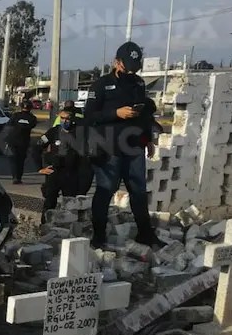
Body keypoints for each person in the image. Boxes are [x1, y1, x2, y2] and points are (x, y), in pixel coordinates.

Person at [84, 41, 160, 249]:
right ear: (117, 62)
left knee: (138, 191)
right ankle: (98, 237)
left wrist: (148, 138)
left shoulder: (139, 83)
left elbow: (143, 114)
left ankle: (145, 234)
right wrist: (115, 113)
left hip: (134, 146)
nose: (131, 71)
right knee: (105, 190)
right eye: (128, 66)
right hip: (108, 148)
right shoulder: (100, 85)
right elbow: (89, 116)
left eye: (135, 67)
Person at [36, 102, 93, 214]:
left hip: (71, 175)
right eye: (62, 118)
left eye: (67, 119)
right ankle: (45, 227)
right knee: (49, 204)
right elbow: (37, 147)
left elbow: (85, 158)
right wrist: (40, 167)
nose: (65, 121)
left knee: (70, 207)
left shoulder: (80, 134)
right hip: (54, 172)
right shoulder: (53, 132)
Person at [3, 99, 38, 184]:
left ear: (21, 107)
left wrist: (5, 138)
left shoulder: (15, 115)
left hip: (12, 141)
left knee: (13, 159)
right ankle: (18, 177)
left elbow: (8, 127)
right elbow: (31, 126)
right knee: (21, 160)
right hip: (24, 142)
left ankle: (15, 177)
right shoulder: (33, 118)